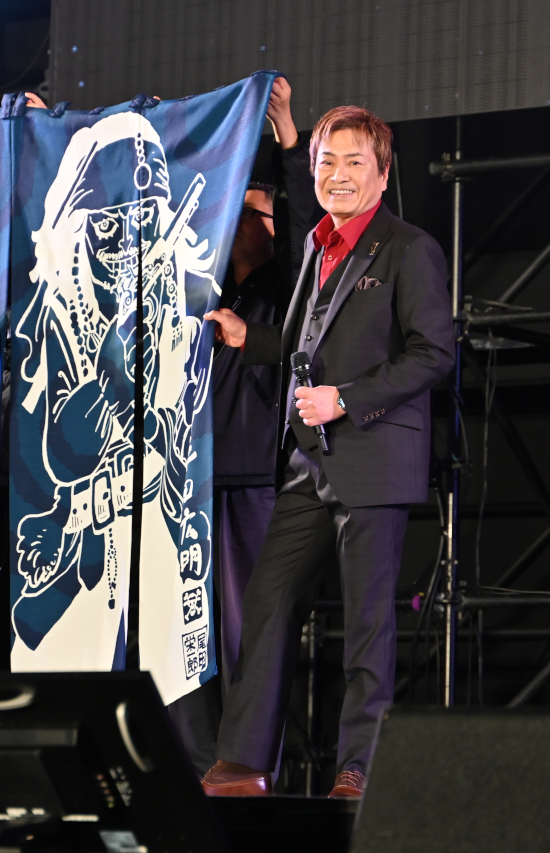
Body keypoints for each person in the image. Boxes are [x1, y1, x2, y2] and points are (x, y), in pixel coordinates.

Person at [200, 104, 455, 799]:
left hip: (373, 458)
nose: (338, 175)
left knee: (367, 623)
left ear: (382, 173)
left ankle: (358, 768)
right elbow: (302, 348)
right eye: (326, 162)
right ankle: (244, 763)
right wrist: (247, 339)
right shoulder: (317, 245)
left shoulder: (408, 248)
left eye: (353, 162)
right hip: (307, 463)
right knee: (268, 601)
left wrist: (346, 399)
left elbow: (434, 352)